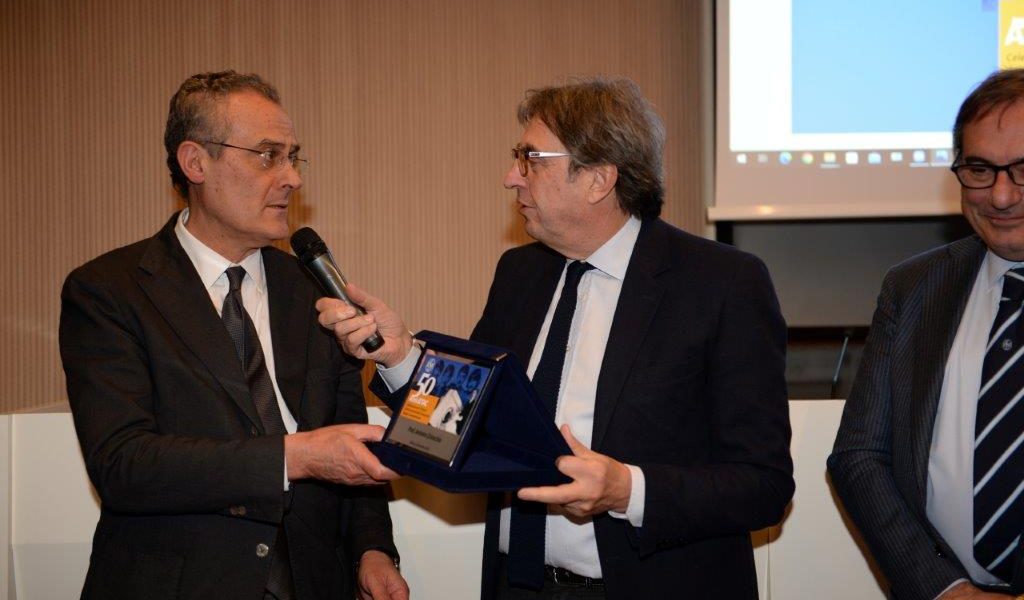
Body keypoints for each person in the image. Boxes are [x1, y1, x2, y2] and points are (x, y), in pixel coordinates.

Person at [318, 77, 793, 599]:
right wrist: (401, 357)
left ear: (598, 179)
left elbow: (763, 484)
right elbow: (463, 423)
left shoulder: (721, 283)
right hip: (517, 586)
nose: (511, 179)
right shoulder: (520, 274)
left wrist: (627, 491)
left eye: (531, 159)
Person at [59, 71, 408, 600]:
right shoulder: (110, 290)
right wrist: (294, 456)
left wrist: (372, 549)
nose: (291, 178)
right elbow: (123, 464)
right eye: (268, 155)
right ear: (195, 162)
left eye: (293, 157)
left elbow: (348, 435)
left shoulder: (312, 289)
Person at [829, 68, 1024, 600]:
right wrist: (944, 589)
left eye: (1023, 169)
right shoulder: (914, 287)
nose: (1001, 195)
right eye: (979, 169)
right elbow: (859, 456)